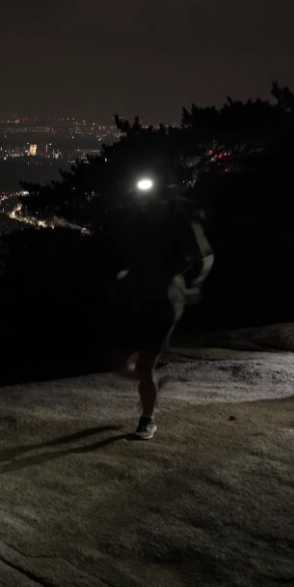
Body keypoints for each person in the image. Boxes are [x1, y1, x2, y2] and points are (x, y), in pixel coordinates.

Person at [108, 175, 213, 439]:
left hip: (165, 303)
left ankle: (147, 419)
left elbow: (205, 257)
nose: (145, 203)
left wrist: (191, 285)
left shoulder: (181, 224)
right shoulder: (141, 222)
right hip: (137, 298)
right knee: (119, 363)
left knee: (144, 368)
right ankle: (151, 386)